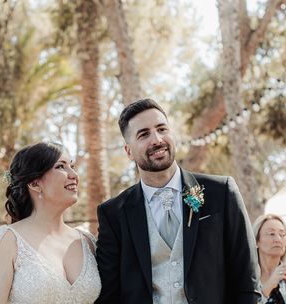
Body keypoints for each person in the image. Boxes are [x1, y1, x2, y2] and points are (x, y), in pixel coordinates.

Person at [95, 98, 261, 303]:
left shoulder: (221, 193)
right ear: (128, 151)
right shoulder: (113, 214)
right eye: (144, 134)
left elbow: (247, 280)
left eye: (162, 129)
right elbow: (109, 296)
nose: (157, 139)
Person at [0, 141, 101, 304]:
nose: (73, 174)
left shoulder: (88, 242)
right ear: (34, 183)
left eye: (71, 166)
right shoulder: (8, 240)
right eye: (61, 167)